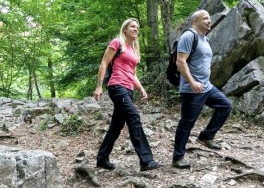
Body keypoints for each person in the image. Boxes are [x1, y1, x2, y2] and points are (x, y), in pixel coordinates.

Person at [94, 18, 161, 172]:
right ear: (125, 29)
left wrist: (141, 88)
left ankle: (102, 159)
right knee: (134, 117)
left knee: (116, 125)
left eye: (137, 27)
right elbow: (104, 63)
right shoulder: (117, 43)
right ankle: (146, 160)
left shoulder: (133, 50)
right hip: (117, 86)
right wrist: (99, 86)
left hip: (128, 89)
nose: (136, 29)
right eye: (132, 26)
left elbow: (132, 74)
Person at [172, 9, 233, 169]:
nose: (209, 21)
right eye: (205, 18)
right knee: (187, 123)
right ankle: (178, 158)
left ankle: (206, 136)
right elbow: (180, 62)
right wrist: (192, 82)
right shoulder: (188, 36)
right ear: (195, 22)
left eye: (209, 18)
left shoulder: (205, 39)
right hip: (192, 89)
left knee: (225, 105)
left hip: (206, 87)